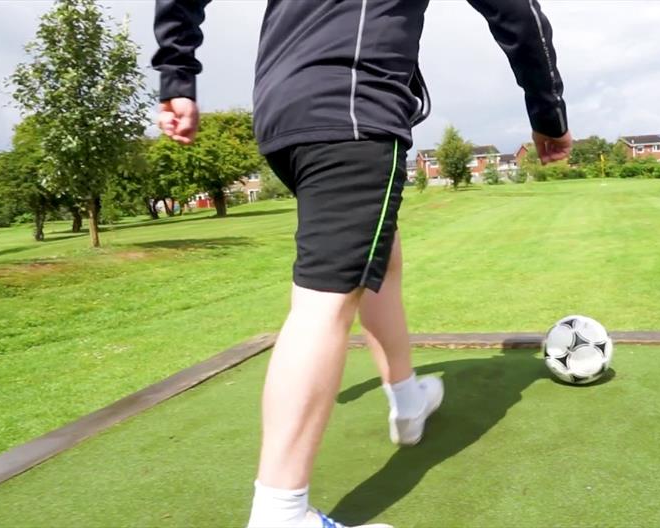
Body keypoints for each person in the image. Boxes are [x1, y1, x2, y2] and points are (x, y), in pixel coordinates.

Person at [152, 1, 571, 526]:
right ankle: (281, 514)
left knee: (381, 253)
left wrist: (176, 76)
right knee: (324, 303)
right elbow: (516, 13)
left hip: (283, 111)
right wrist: (548, 113)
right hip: (352, 111)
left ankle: (407, 397)